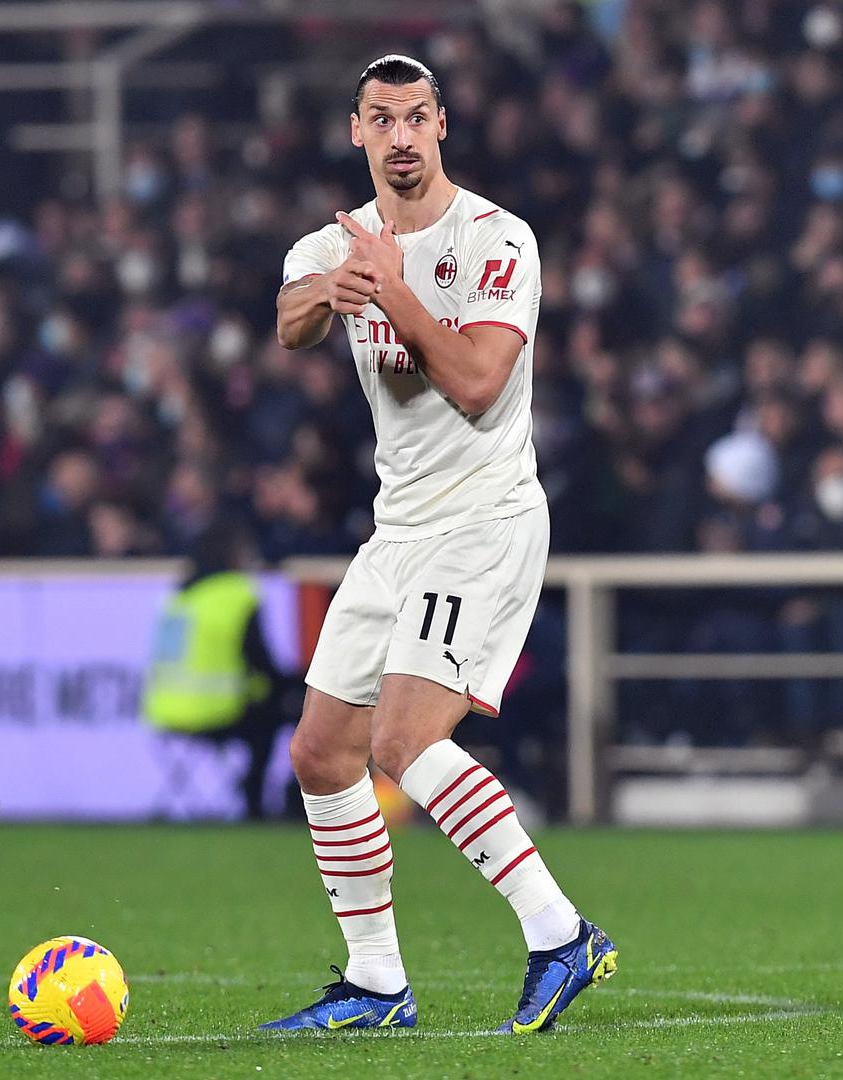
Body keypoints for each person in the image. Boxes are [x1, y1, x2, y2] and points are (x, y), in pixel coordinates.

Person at [260, 55, 615, 1035]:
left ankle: (560, 933)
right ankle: (377, 983)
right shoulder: (335, 243)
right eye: (382, 119)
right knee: (321, 752)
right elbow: (288, 322)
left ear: (443, 125)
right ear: (356, 132)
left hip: (485, 521)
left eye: (417, 116)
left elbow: (477, 383)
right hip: (399, 529)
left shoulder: (498, 239)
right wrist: (330, 288)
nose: (402, 136)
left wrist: (391, 291)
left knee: (403, 740)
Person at [141, 522, 292, 820]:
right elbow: (260, 662)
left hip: (163, 713)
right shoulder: (237, 594)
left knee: (266, 711)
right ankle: (256, 802)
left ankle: (252, 794)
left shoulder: (179, 596)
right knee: (275, 717)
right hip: (215, 711)